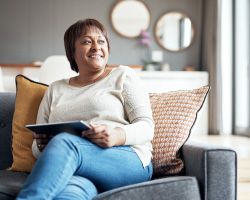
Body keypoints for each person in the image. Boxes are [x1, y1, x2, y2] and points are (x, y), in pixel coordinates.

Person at [17, 18, 154, 200]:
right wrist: (42, 147)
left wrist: (117, 135)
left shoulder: (123, 75)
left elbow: (147, 126)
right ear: (72, 51)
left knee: (65, 142)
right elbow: (37, 144)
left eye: (101, 41)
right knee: (68, 195)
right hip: (78, 169)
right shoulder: (55, 89)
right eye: (87, 41)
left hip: (126, 160)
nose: (96, 47)